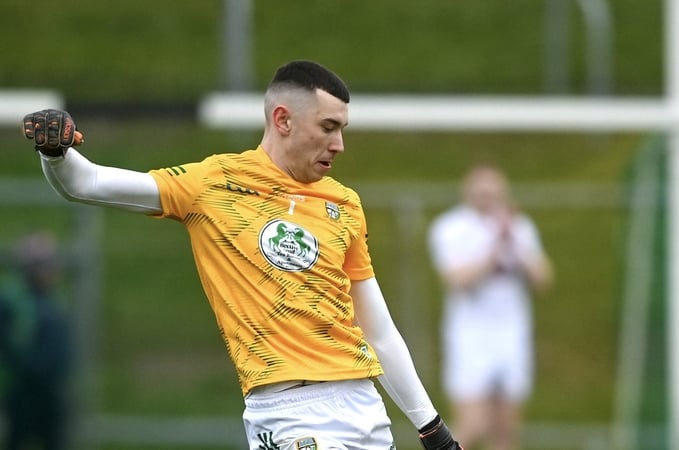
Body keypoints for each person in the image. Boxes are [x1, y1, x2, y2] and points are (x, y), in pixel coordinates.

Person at [21, 60, 460, 450]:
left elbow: (377, 329)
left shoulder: (343, 204)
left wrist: (432, 429)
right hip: (289, 413)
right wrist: (56, 153)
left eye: (342, 128)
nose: (339, 143)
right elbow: (89, 183)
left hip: (364, 408)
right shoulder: (215, 184)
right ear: (283, 119)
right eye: (328, 127)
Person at [427, 165, 553, 450]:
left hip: (512, 334)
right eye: (482, 192)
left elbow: (543, 279)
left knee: (506, 429)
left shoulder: (519, 227)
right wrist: (495, 247)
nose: (488, 198)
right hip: (470, 336)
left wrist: (515, 245)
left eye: (494, 192)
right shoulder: (451, 227)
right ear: (468, 193)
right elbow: (458, 280)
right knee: (472, 425)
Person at [0, 232, 73, 450]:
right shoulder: (12, 300)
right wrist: (32, 367)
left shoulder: (54, 300)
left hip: (50, 392)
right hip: (21, 391)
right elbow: (10, 347)